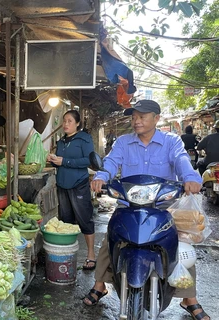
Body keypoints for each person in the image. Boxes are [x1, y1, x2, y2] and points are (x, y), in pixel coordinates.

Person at [83, 100, 209, 320]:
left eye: (142, 117)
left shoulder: (171, 142)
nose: (136, 121)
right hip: (129, 206)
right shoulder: (123, 142)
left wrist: (190, 178)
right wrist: (102, 176)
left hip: (163, 206)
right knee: (110, 238)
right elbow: (112, 162)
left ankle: (189, 297)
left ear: (156, 118)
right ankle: (100, 284)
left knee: (183, 244)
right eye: (134, 117)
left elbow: (181, 161)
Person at [47, 110, 96, 270]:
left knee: (84, 219)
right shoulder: (61, 142)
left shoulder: (84, 139)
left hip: (78, 184)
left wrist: (65, 161)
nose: (65, 124)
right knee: (65, 221)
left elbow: (88, 160)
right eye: (64, 121)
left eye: (69, 121)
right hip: (62, 185)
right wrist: (53, 160)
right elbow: (60, 162)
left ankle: (90, 255)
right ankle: (67, 255)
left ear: (77, 123)